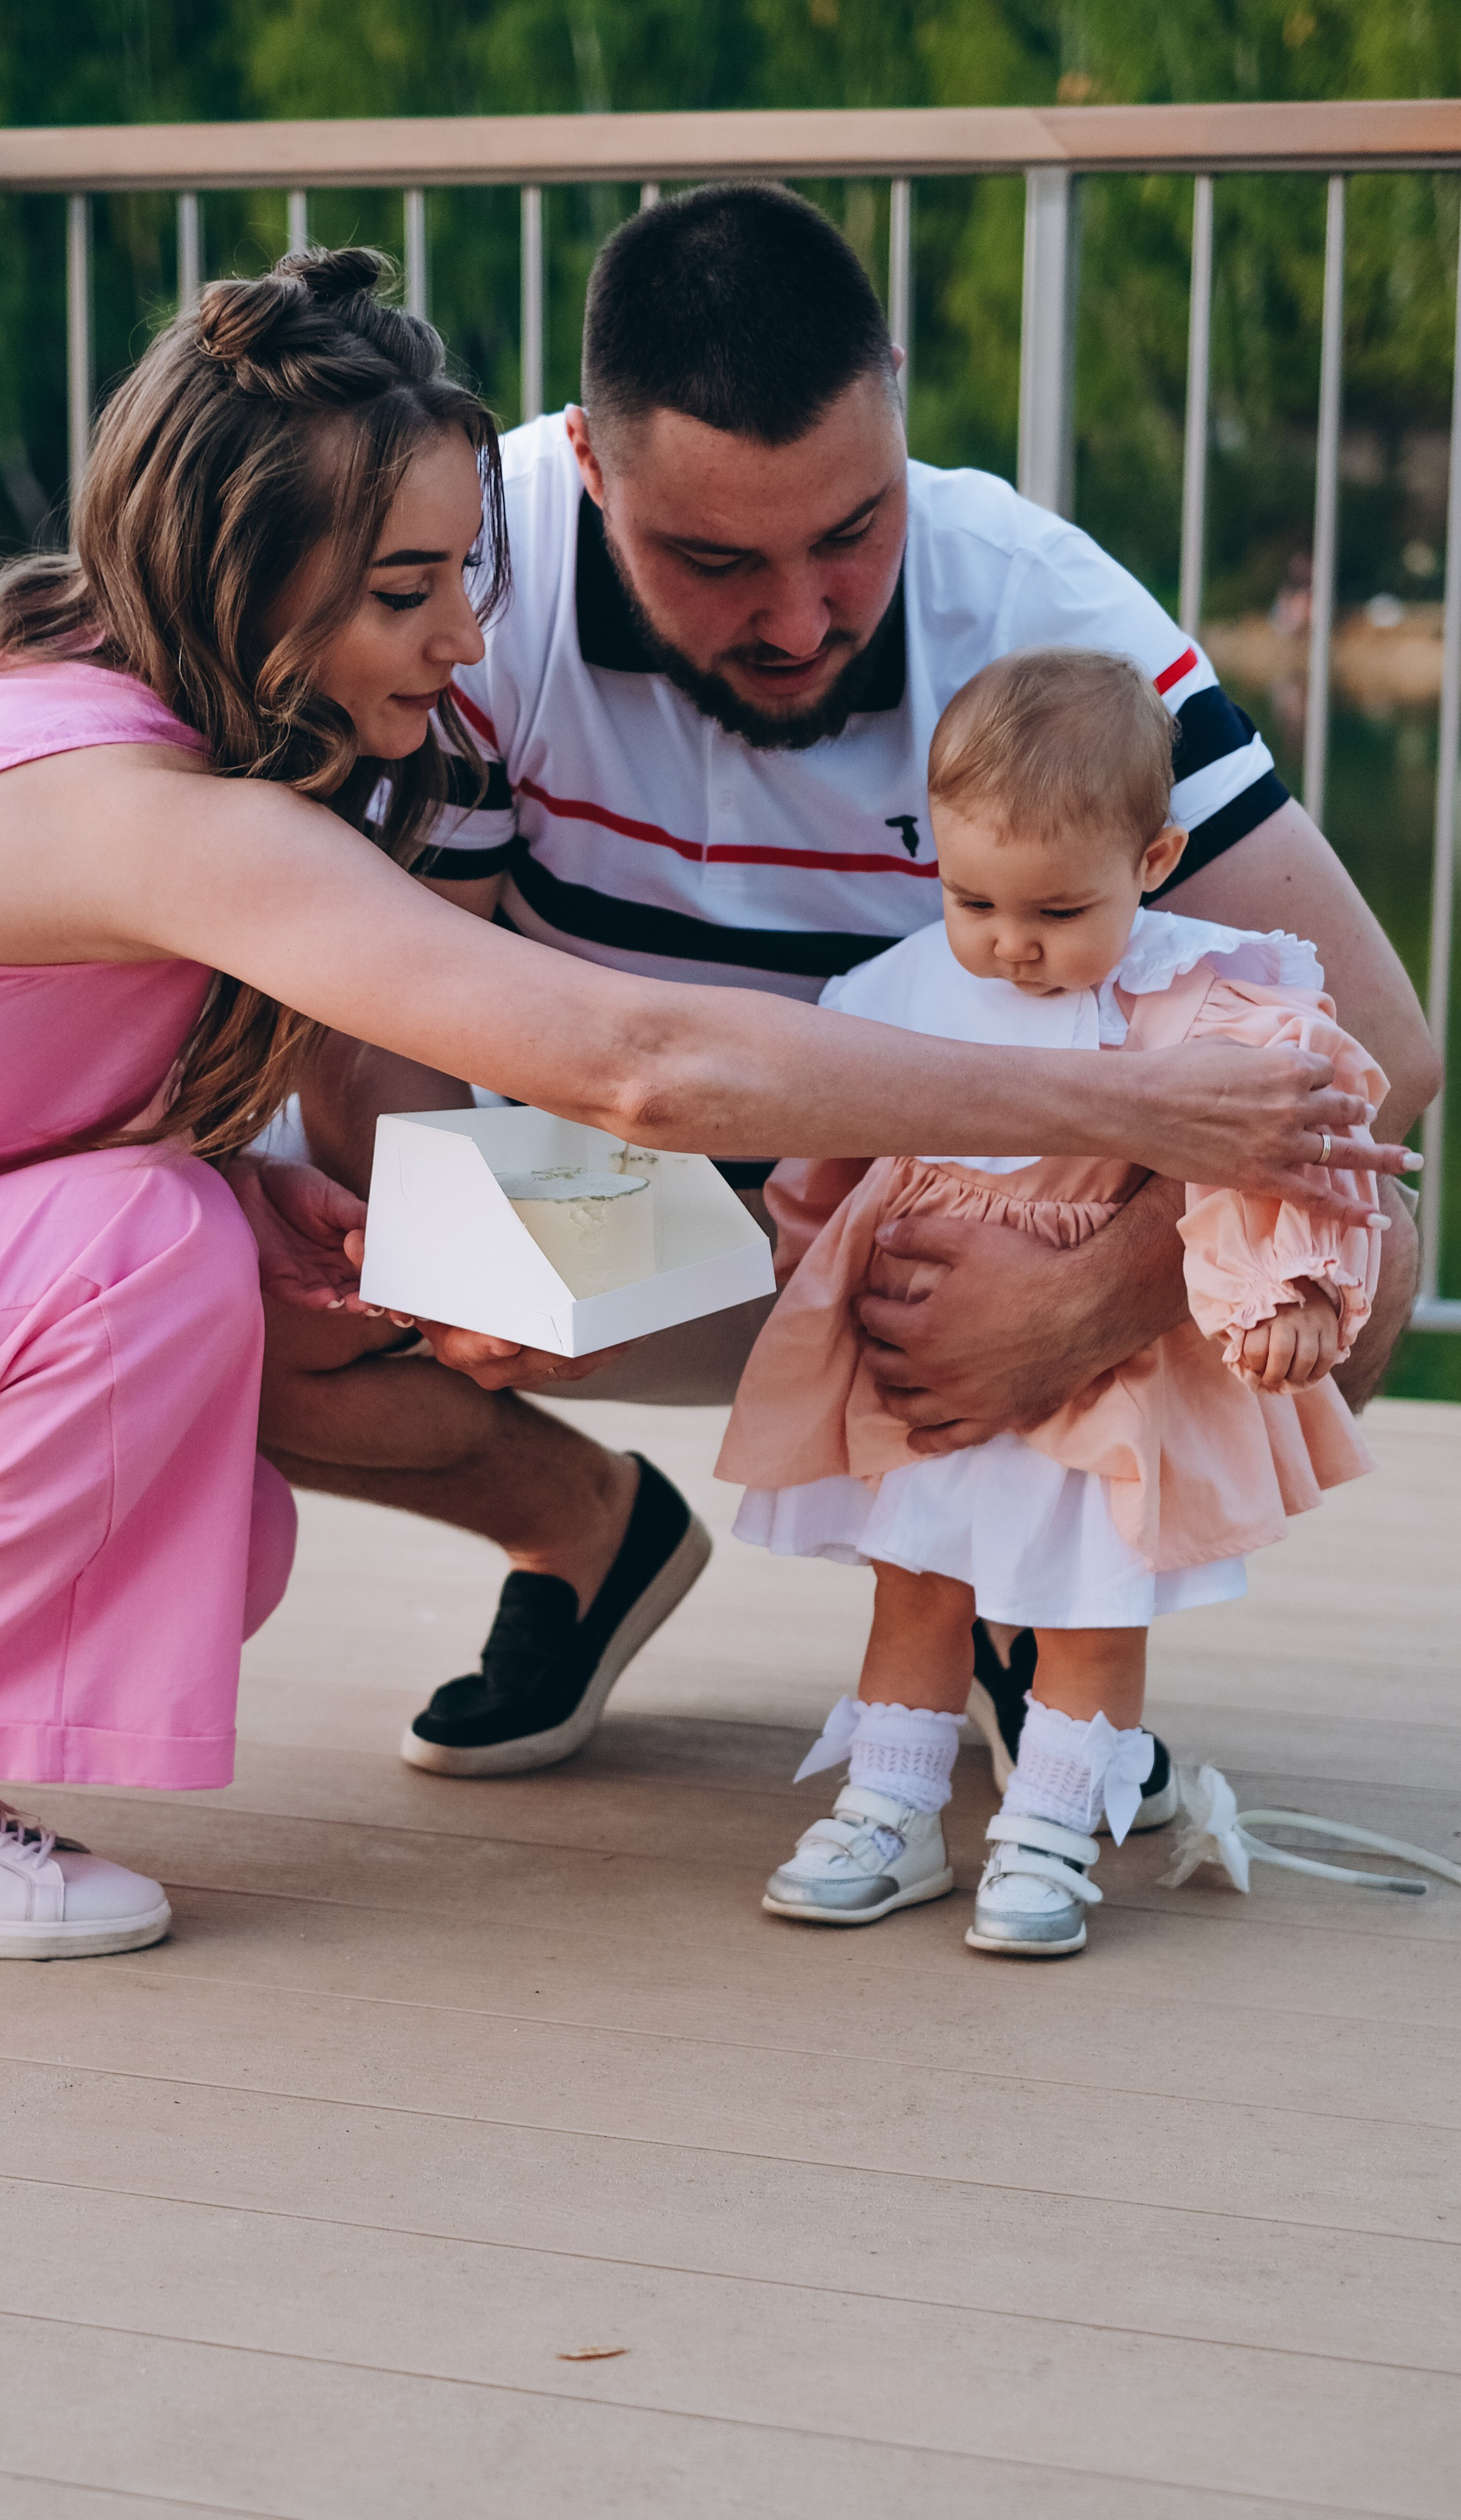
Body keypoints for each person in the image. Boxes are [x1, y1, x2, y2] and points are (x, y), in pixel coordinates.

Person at [0, 251, 1382, 1948]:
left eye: (465, 575)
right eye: (407, 590)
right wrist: (1154, 1118)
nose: (468, 640)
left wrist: (257, 1207)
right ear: (252, 579)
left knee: (202, 1466)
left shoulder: (122, 729)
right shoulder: (134, 810)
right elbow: (634, 1061)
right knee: (137, 1247)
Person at [254, 183, 1437, 1786]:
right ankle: (583, 1533)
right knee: (211, 1269)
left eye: (851, 529)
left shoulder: (1038, 607)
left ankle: (1031, 1604)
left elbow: (1371, 1044)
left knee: (1357, 1250)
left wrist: (1092, 1292)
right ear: (591, 470)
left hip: (964, 1241)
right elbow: (361, 1017)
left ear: (892, 396)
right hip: (625, 1217)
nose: (801, 618)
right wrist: (466, 1239)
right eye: (714, 558)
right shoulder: (478, 572)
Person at [720, 646, 1381, 1956]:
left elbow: (1299, 1128)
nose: (1012, 946)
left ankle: (1051, 1824)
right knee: (914, 1579)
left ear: (1153, 858)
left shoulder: (1207, 990)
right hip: (920, 1326)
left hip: (1104, 1361)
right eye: (974, 899)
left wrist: (1290, 1274)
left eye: (1059, 912)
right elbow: (825, 1148)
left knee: (1089, 1603)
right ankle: (891, 1805)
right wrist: (804, 1267)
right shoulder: (905, 985)